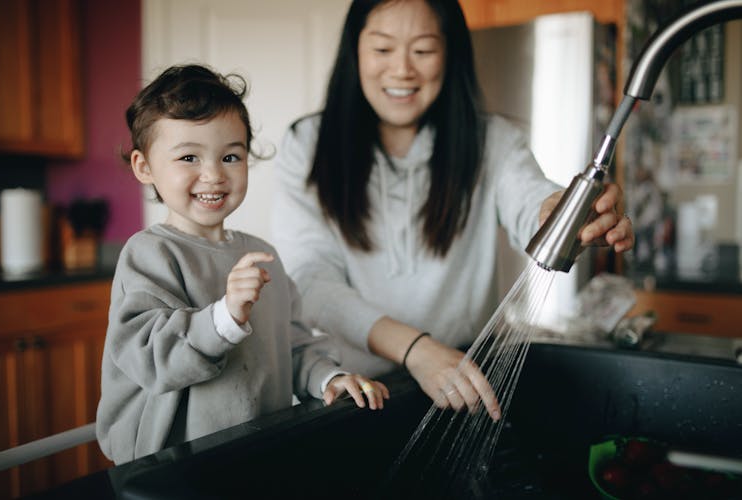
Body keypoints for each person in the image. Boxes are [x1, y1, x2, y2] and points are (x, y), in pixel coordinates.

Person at [272, 0, 634, 418]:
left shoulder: (492, 141)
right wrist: (415, 350)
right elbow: (311, 281)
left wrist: (570, 214)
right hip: (355, 392)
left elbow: (531, 200)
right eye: (383, 49)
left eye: (423, 50)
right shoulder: (307, 145)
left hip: (463, 381)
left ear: (450, 55)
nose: (402, 70)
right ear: (354, 51)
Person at [96, 64, 389, 465]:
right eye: (188, 157)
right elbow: (150, 361)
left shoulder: (261, 254)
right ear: (144, 167)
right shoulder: (148, 255)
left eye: (231, 156)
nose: (214, 174)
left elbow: (293, 342)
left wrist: (328, 377)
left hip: (255, 452)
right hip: (172, 468)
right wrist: (224, 317)